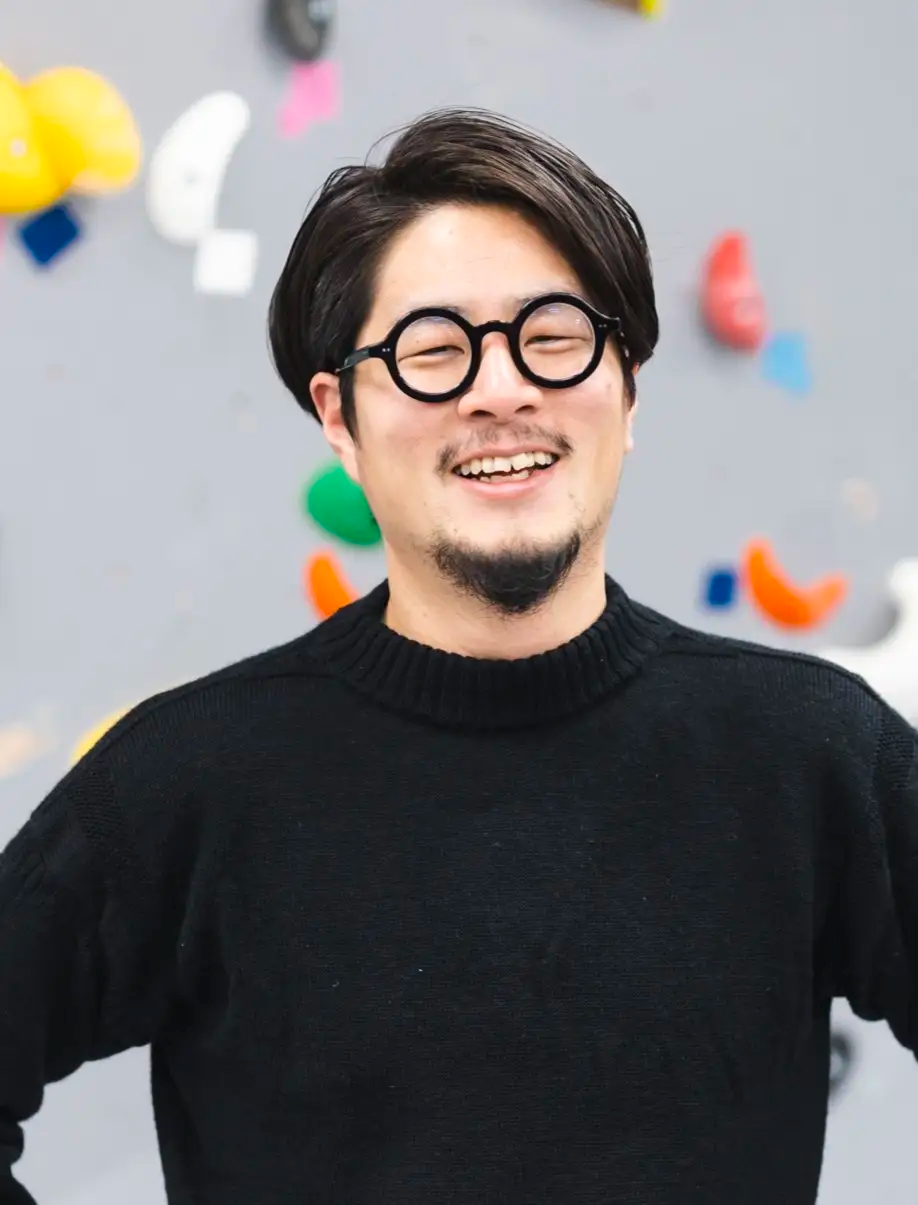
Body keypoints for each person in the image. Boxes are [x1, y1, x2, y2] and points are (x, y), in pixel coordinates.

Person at [0, 107, 915, 1205]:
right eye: (432, 350)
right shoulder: (189, 777)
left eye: (556, 337)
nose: (501, 388)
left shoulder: (810, 753)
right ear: (339, 417)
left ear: (628, 389)